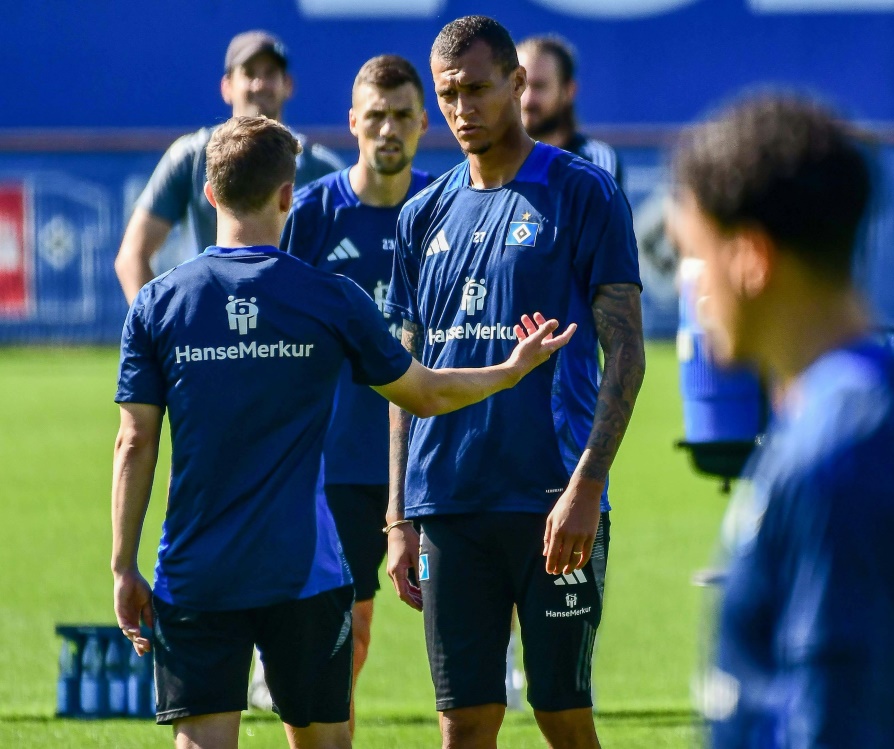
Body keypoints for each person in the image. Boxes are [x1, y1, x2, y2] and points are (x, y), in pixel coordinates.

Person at [111, 115, 575, 749]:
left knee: (200, 743)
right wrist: (510, 370)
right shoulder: (331, 298)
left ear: (210, 195)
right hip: (305, 573)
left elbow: (134, 442)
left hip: (196, 572)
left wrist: (121, 566)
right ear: (286, 196)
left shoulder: (158, 304)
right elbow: (426, 393)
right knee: (324, 742)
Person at [671, 95, 894, 748]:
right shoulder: (892, 403)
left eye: (693, 253)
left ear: (750, 258)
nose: (689, 285)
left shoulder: (844, 447)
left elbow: (834, 720)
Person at [385, 16, 645, 749]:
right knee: (464, 723)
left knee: (562, 715)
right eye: (447, 94)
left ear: (518, 85)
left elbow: (626, 351)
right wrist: (398, 515)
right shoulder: (421, 215)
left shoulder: (583, 194)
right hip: (449, 503)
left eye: (476, 89)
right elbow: (408, 374)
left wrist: (588, 485)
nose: (462, 108)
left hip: (550, 500)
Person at [279, 53, 432, 734]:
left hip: (432, 461)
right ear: (352, 123)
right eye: (376, 116)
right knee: (348, 632)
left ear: (424, 122)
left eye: (402, 115)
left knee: (463, 631)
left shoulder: (446, 204)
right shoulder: (313, 213)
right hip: (338, 462)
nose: (389, 128)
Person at [115, 29, 344, 304]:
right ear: (227, 86)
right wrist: (156, 334)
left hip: (294, 334)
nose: (259, 84)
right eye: (248, 73)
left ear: (288, 85)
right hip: (211, 332)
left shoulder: (319, 167)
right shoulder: (193, 156)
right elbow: (132, 257)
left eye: (270, 73)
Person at [516, 34, 622, 185]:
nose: (528, 100)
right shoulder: (486, 160)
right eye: (519, 85)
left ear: (568, 91)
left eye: (539, 86)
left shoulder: (594, 161)